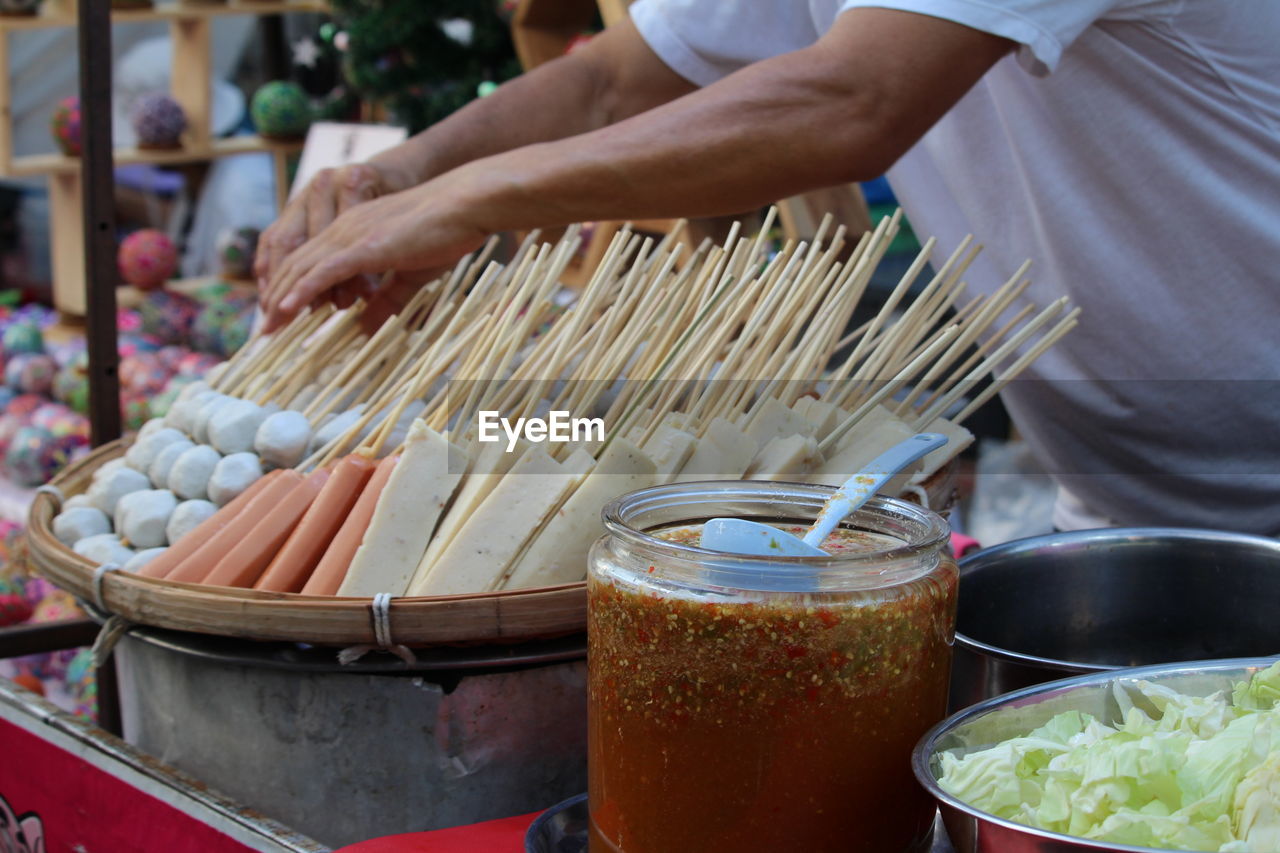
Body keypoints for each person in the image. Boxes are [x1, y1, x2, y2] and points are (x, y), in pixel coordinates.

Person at [256, 1, 1280, 535]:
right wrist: (407, 168)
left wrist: (469, 200)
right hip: (1121, 504)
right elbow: (616, 80)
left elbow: (852, 102)